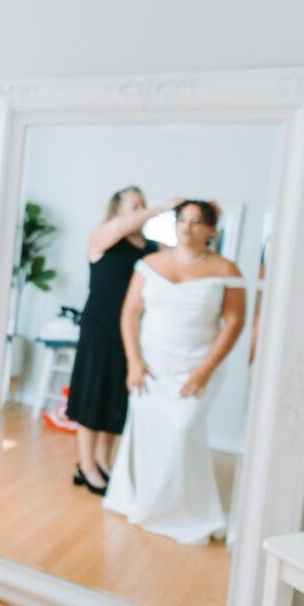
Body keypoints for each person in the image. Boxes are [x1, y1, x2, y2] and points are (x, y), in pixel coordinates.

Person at [103, 201, 246, 545]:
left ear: (211, 230)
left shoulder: (225, 269)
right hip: (151, 366)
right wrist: (134, 361)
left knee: (183, 432)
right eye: (182, 219)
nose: (188, 227)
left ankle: (185, 512)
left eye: (197, 222)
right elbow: (130, 313)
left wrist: (206, 369)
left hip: (195, 368)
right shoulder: (149, 264)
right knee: (148, 433)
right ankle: (143, 501)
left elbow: (234, 321)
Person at [66, 187, 182, 494]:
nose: (140, 208)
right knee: (93, 392)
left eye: (143, 203)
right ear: (117, 208)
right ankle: (86, 465)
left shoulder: (151, 249)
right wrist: (161, 206)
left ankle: (104, 461)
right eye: (134, 203)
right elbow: (120, 228)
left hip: (132, 330)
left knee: (116, 396)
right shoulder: (103, 237)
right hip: (100, 327)